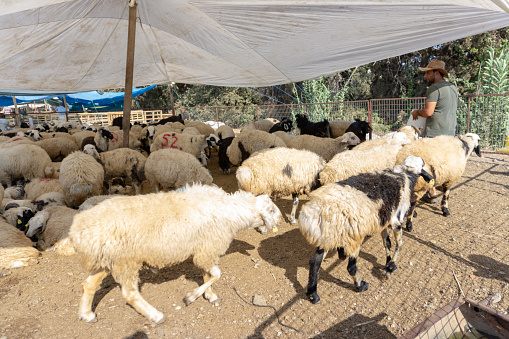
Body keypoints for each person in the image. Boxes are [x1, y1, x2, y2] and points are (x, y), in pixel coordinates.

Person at [412, 59, 459, 203]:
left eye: (427, 73)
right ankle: (443, 191)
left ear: (436, 73)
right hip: (449, 132)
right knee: (443, 163)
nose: (425, 76)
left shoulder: (434, 89)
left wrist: (417, 112)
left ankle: (432, 193)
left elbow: (428, 112)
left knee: (429, 165)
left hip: (434, 133)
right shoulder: (453, 88)